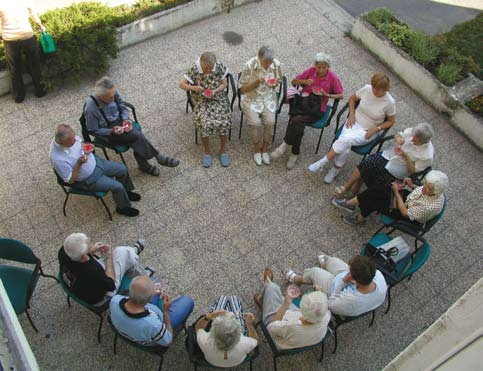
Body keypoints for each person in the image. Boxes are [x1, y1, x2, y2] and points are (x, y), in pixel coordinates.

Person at [308, 73, 396, 184]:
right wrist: (352, 115)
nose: (375, 91)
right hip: (353, 122)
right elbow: (352, 99)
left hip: (368, 130)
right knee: (346, 144)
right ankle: (334, 170)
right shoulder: (367, 89)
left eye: (379, 90)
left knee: (346, 140)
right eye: (374, 87)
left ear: (385, 89)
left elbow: (391, 121)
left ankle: (323, 161)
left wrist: (377, 128)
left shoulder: (389, 102)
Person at [84, 76, 179, 176]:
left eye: (113, 93)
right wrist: (111, 131)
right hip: (109, 132)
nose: (113, 97)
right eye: (110, 97)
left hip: (120, 122)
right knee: (137, 136)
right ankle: (158, 157)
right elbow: (92, 130)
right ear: (101, 96)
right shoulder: (91, 108)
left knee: (136, 139)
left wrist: (125, 119)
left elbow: (122, 106)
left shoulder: (112, 93)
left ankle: (145, 166)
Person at [49, 124, 140, 217]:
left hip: (97, 163)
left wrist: (86, 145)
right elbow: (70, 180)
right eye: (72, 141)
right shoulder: (57, 159)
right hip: (88, 179)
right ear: (61, 143)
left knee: (122, 169)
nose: (75, 140)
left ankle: (125, 193)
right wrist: (79, 164)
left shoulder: (70, 137)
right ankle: (122, 207)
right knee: (117, 186)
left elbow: (80, 142)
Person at [271, 53, 344, 169]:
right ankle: (294, 153)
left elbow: (341, 95)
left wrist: (327, 95)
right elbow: (294, 82)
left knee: (296, 121)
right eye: (318, 67)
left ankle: (284, 146)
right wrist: (305, 82)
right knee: (298, 123)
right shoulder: (311, 71)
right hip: (303, 102)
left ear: (328, 67)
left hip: (317, 108)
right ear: (315, 66)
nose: (320, 70)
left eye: (323, 67)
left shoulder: (332, 77)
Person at [334, 123, 435, 199]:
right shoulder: (413, 132)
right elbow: (398, 134)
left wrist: (406, 157)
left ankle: (357, 195)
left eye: (415, 141)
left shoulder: (427, 156)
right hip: (389, 155)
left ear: (422, 142)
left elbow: (413, 171)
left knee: (379, 177)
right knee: (368, 163)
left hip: (399, 169)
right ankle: (348, 187)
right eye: (412, 137)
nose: (411, 140)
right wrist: (398, 139)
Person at [58, 233, 150, 305]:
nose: (90, 243)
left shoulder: (63, 252)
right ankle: (143, 276)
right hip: (100, 297)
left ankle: (132, 255)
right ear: (83, 256)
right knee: (124, 252)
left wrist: (91, 250)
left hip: (77, 286)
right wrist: (108, 257)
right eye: (88, 244)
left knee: (127, 257)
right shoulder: (93, 270)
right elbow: (111, 284)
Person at [333, 170, 448, 226]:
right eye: (425, 184)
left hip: (406, 211)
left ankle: (358, 216)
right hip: (409, 199)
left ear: (434, 192)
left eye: (428, 188)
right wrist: (411, 185)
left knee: (375, 201)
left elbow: (405, 213)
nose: (424, 188)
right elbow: (420, 190)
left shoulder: (428, 206)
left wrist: (396, 193)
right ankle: (351, 205)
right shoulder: (433, 189)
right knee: (378, 189)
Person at [286, 254, 387, 317]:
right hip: (352, 281)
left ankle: (297, 280)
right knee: (332, 260)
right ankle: (325, 265)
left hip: (335, 291)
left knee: (314, 272)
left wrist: (342, 282)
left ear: (353, 279)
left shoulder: (350, 300)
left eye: (349, 270)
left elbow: (330, 305)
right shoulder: (378, 275)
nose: (348, 270)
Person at [253, 268, 330, 350]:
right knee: (277, 297)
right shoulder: (326, 316)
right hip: (301, 335)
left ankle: (265, 297)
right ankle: (268, 299)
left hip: (279, 328)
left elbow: (271, 327)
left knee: (271, 288)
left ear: (302, 309)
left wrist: (286, 303)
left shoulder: (290, 326)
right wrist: (320, 294)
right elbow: (322, 308)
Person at [180, 52, 232, 168]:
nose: (208, 70)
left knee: (224, 121)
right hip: (201, 99)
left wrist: (215, 90)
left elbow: (225, 84)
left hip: (218, 97)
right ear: (201, 63)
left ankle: (223, 150)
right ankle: (207, 152)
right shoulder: (194, 68)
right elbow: (181, 84)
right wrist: (193, 88)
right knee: (204, 123)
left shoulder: (218, 66)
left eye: (210, 68)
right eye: (206, 68)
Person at [110, 276, 194, 346]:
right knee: (188, 301)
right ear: (148, 299)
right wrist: (165, 312)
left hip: (126, 329)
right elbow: (168, 342)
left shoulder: (115, 300)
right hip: (149, 338)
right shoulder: (153, 325)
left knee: (155, 282)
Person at [239, 46, 283, 166]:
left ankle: (265, 148)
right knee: (255, 123)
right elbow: (242, 89)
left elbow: (279, 81)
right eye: (266, 62)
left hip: (268, 99)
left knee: (270, 122)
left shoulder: (276, 64)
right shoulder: (249, 65)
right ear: (259, 58)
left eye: (271, 61)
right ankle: (256, 149)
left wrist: (273, 84)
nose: (269, 64)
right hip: (251, 99)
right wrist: (257, 82)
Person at [0, 0, 46, 103]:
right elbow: (34, 16)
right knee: (35, 64)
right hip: (28, 36)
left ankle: (19, 96)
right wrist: (41, 26)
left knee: (14, 68)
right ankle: (40, 90)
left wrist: (2, 34)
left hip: (10, 39)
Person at [193, 295, 258, 367]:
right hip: (237, 361)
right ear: (239, 332)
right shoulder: (244, 343)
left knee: (222, 299)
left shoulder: (205, 342)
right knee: (234, 299)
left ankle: (223, 299)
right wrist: (249, 324)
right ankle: (231, 300)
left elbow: (198, 328)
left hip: (212, 361)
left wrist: (209, 316)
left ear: (212, 332)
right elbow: (255, 340)